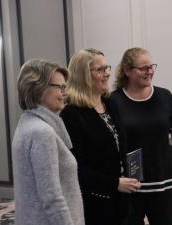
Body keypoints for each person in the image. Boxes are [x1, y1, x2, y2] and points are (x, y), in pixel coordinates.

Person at [110, 47, 172, 225]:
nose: (150, 71)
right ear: (127, 70)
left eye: (151, 66)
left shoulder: (164, 96)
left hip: (164, 185)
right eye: (143, 68)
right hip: (130, 187)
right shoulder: (113, 101)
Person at [60, 48, 141, 225]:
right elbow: (75, 168)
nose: (107, 74)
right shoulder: (71, 115)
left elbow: (120, 148)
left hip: (122, 199)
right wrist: (114, 184)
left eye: (107, 68)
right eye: (100, 70)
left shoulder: (110, 104)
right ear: (83, 75)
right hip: (95, 203)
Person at [12, 59, 85, 225]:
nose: (64, 93)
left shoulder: (28, 123)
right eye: (59, 87)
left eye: (64, 87)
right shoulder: (42, 132)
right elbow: (51, 197)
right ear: (38, 88)